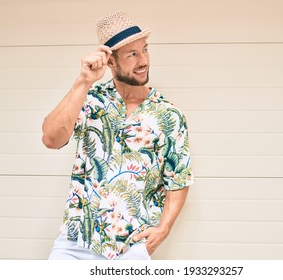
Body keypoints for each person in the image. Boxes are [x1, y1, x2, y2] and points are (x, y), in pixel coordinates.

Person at [42, 11, 194, 260]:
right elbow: (51, 138)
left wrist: (164, 229)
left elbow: (178, 179)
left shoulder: (169, 115)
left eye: (145, 50)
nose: (143, 60)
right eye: (132, 54)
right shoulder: (89, 99)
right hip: (76, 242)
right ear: (111, 62)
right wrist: (83, 81)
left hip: (132, 248)